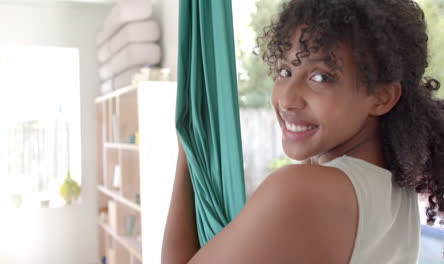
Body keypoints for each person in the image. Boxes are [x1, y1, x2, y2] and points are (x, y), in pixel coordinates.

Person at [162, 0, 444, 263]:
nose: (286, 99)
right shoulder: (395, 190)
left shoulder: (299, 191)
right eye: (285, 71)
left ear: (382, 97)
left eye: (320, 77)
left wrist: (188, 151)